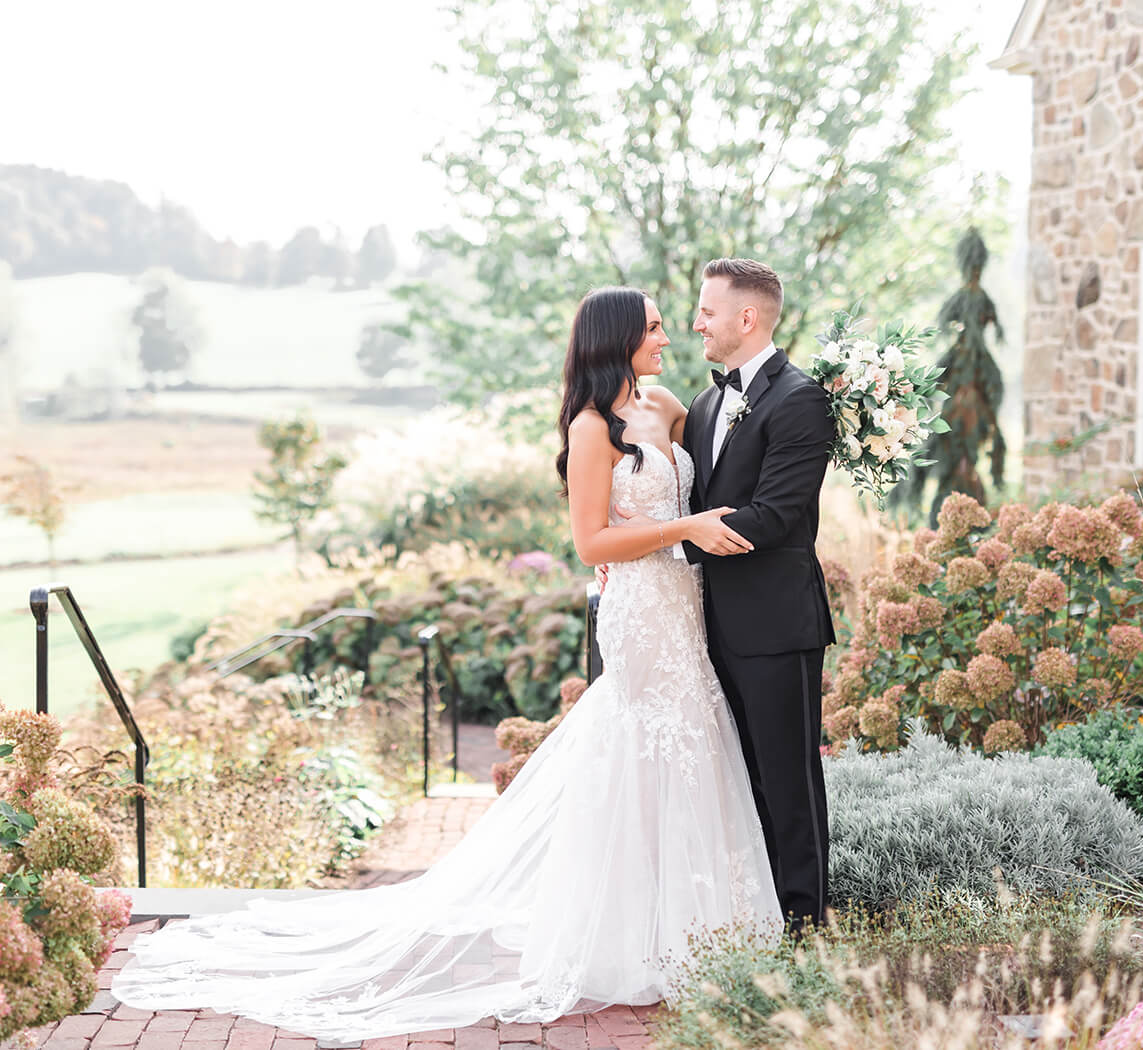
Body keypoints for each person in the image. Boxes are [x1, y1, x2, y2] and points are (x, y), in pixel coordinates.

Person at [112, 286, 781, 1041]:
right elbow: (591, 544)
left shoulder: (667, 406)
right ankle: (629, 939)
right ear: (616, 337)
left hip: (684, 607)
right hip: (638, 610)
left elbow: (703, 485)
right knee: (641, 749)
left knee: (691, 746)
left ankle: (693, 931)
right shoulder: (593, 428)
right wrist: (679, 528)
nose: (668, 337)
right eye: (655, 327)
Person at [611, 258, 835, 932]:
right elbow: (689, 498)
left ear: (746, 317)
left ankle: (804, 928)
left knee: (786, 783)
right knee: (732, 788)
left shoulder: (801, 399)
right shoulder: (705, 403)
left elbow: (774, 517)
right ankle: (749, 921)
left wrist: (659, 547)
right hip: (700, 629)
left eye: (706, 312)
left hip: (775, 625)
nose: (694, 323)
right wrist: (631, 557)